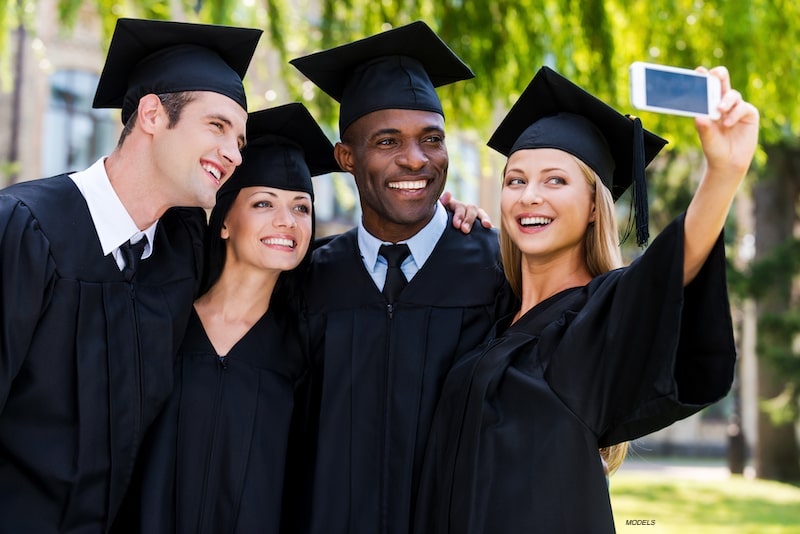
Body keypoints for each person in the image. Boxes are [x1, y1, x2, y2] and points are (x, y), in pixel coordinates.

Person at [413, 65, 759, 533]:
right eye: (515, 181)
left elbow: (667, 274)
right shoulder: (491, 315)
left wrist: (724, 172)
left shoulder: (598, 316)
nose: (529, 196)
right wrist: (443, 221)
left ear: (596, 206)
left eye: (555, 180)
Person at [0, 18, 261, 532]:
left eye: (240, 140)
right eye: (217, 126)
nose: (234, 154)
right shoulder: (25, 229)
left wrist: (449, 219)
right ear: (150, 114)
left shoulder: (178, 252)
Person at [289, 21, 516, 534]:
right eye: (388, 141)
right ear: (347, 158)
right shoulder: (309, 279)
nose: (415, 159)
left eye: (431, 139)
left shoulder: (497, 269)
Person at [114, 102, 339, 534]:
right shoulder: (160, 322)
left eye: (301, 208)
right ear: (224, 222)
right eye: (263, 203)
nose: (286, 221)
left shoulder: (307, 351)